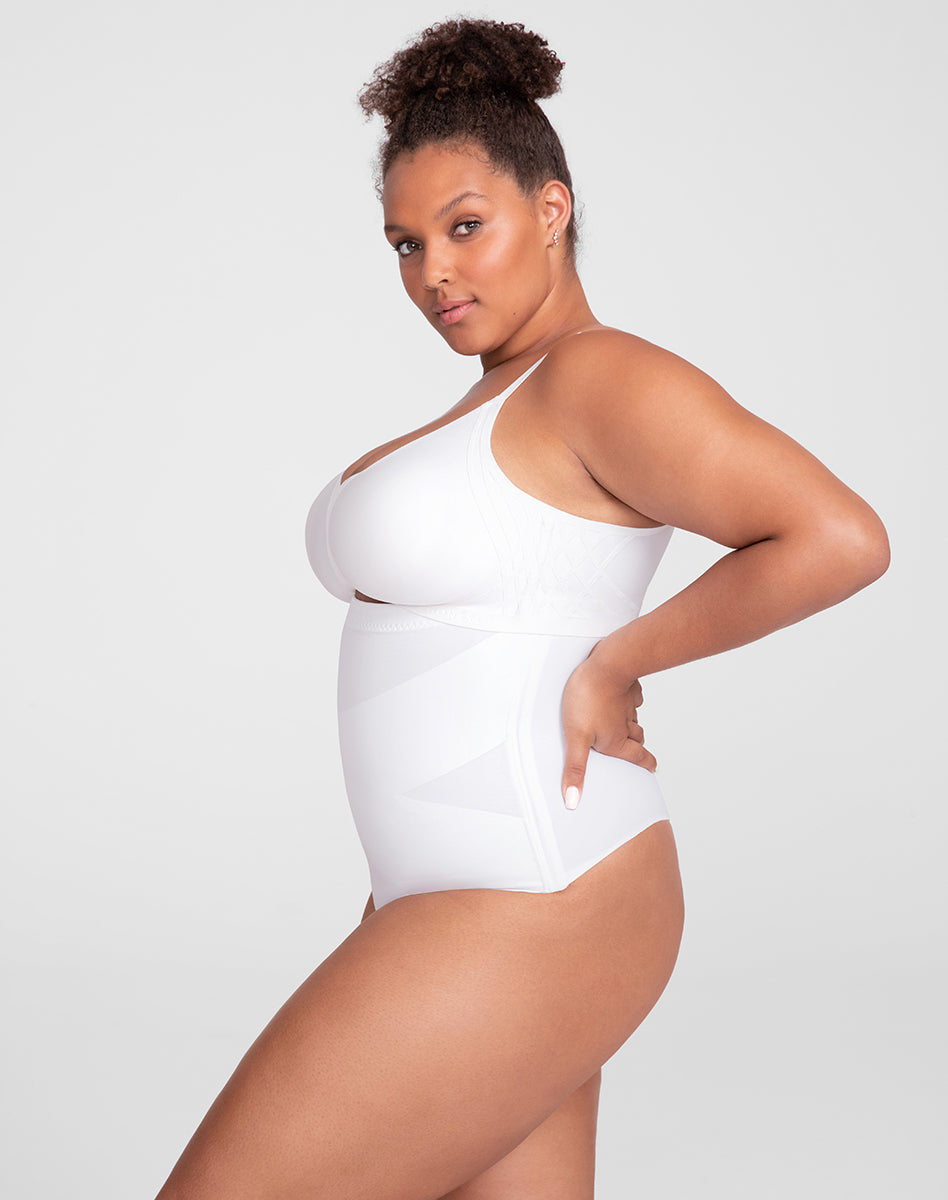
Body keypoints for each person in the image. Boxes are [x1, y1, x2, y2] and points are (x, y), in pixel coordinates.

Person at [154, 18, 889, 1200]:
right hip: (451, 892)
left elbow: (837, 538)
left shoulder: (599, 376)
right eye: (405, 244)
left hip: (537, 889)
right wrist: (396, 899)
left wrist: (618, 662)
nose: (432, 274)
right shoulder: (498, 398)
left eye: (464, 227)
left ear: (551, 208)